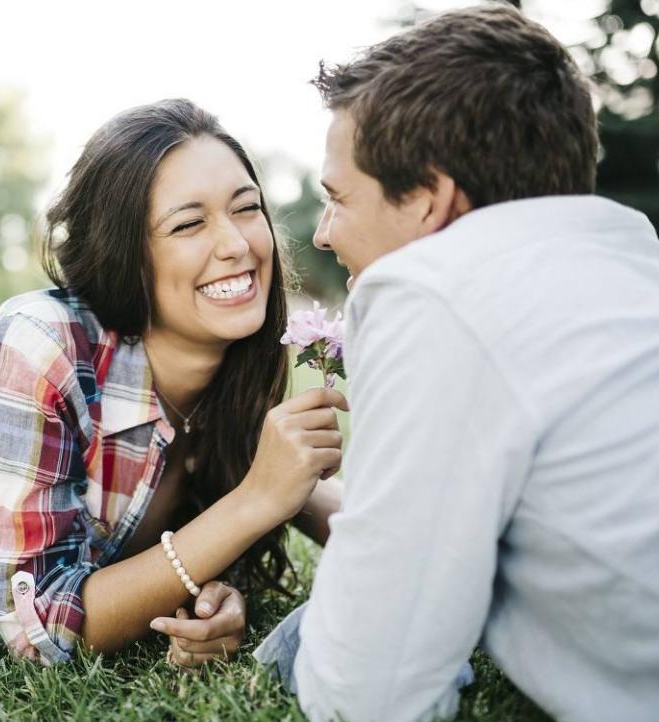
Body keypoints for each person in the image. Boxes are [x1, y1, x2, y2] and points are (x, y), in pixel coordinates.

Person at [254, 4, 659, 721]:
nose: (320, 234)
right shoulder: (631, 270)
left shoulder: (431, 293)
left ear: (430, 202)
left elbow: (366, 693)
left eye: (338, 197)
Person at [0, 98, 346, 667]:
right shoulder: (39, 341)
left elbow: (323, 508)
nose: (236, 245)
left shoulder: (232, 365)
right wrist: (256, 502)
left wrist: (214, 596)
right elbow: (40, 632)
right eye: (188, 224)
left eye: (246, 208)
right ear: (123, 254)